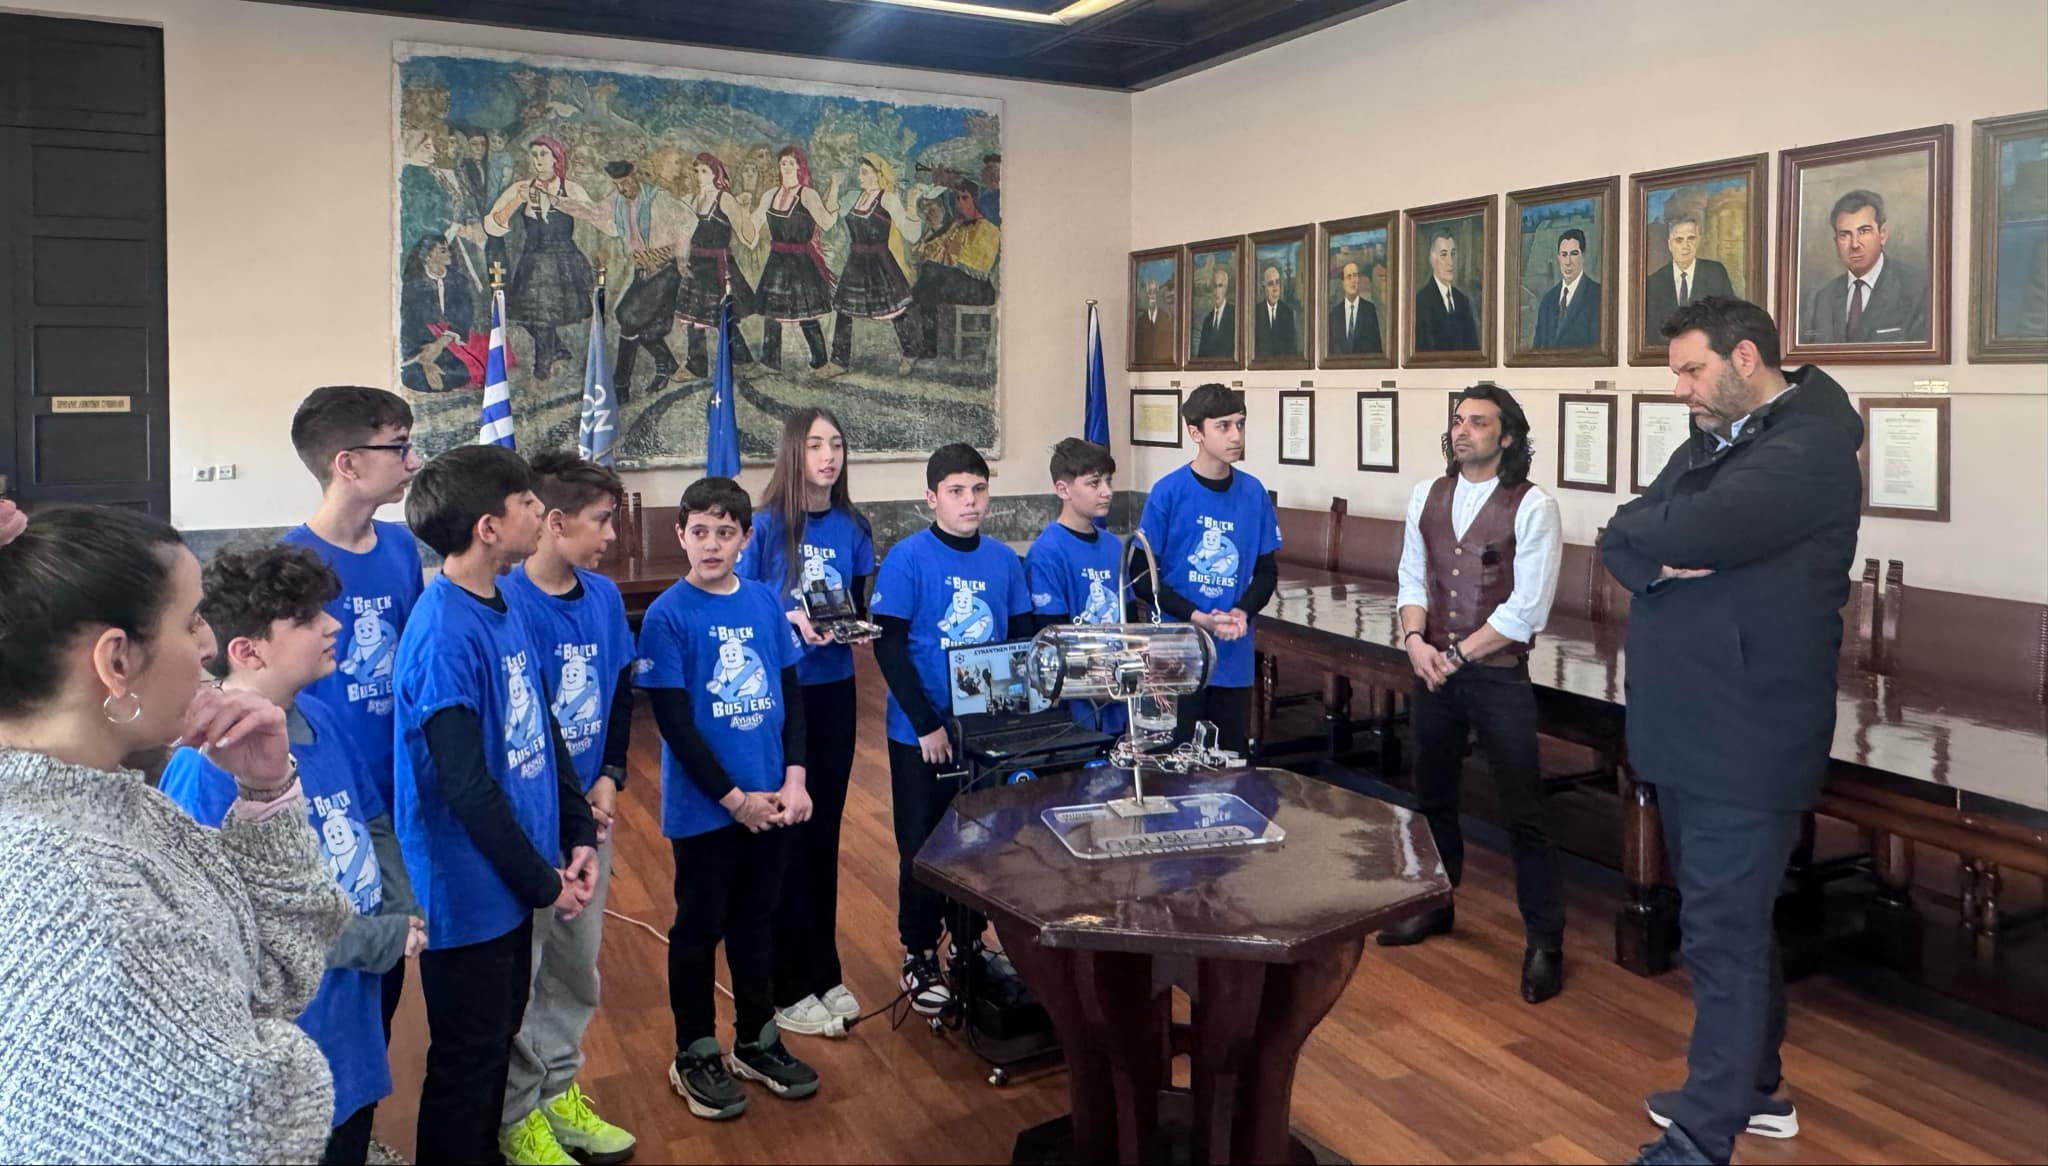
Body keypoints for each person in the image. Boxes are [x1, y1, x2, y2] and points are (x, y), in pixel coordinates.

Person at [0, 505, 351, 1163]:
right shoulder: (77, 888)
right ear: (116, 660)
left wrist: (266, 794)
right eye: (191, 620)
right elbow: (249, 1131)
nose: (209, 645)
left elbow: (267, 975)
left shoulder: (121, 809)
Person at [1604, 297, 1862, 1166]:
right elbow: (1625, 534)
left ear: (1745, 357)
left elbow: (1689, 525)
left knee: (1722, 933)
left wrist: (1668, 539)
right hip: (1693, 723)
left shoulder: (1810, 447)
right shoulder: (1715, 440)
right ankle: (1752, 1090)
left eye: (1691, 370)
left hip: (1747, 732)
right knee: (1728, 920)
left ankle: (1702, 1138)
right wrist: (1659, 549)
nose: (1679, 389)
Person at [159, 543, 426, 1166]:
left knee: (350, 1126)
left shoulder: (323, 720)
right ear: (248, 650)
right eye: (307, 618)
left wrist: (402, 909)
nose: (332, 625)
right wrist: (377, 939)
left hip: (352, 1009)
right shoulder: (203, 769)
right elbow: (241, 923)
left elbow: (373, 820)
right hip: (291, 1031)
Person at [392, 446, 599, 1164]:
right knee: (468, 1060)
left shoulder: (502, 599)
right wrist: (543, 882)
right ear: (489, 527)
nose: (542, 513)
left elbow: (542, 722)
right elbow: (465, 786)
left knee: (497, 1039)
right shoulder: (442, 632)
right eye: (528, 504)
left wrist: (577, 829)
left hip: (514, 879)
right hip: (469, 891)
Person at [639, 476, 819, 1120]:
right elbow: (674, 724)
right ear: (680, 535)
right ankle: (694, 1050)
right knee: (699, 925)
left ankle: (756, 1038)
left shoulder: (766, 602)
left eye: (725, 532)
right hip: (706, 810)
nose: (711, 544)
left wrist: (794, 779)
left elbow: (791, 697)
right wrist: (733, 799)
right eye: (699, 531)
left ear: (745, 538)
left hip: (771, 801)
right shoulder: (667, 616)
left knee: (755, 919)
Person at [1382, 385, 1567, 1005]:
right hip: (1432, 668)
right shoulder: (1428, 495)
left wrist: (1457, 656)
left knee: (1523, 810)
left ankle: (1545, 941)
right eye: (1458, 421)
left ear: (1507, 436)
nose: (1462, 431)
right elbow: (1413, 575)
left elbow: (1527, 608)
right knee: (1431, 795)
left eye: (1478, 423)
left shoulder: (1534, 505)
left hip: (1496, 674)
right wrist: (1415, 641)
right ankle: (1435, 903)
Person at [497, 453, 640, 1166]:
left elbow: (620, 689)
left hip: (591, 818)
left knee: (575, 964)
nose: (612, 535)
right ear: (554, 522)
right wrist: (564, 805)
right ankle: (515, 1113)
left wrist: (610, 775)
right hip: (531, 818)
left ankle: (557, 1090)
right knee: (522, 968)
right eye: (602, 520)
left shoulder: (605, 597)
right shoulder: (504, 601)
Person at [284, 385, 427, 1042]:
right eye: (397, 447)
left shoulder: (399, 548)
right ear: (347, 462)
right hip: (329, 797)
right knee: (332, 970)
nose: (411, 461)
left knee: (390, 954)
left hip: (396, 785)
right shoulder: (293, 563)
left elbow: (413, 666)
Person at [872, 444, 1034, 1015]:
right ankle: (919, 951)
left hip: (983, 735)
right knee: (923, 845)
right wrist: (926, 724)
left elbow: (1020, 642)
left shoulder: (1004, 561)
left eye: (979, 490)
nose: (970, 502)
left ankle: (969, 943)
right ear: (931, 498)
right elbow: (889, 647)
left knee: (979, 844)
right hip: (922, 734)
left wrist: (1011, 726)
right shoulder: (907, 559)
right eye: (957, 491)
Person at [735, 408, 876, 1040]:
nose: (828, 456)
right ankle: (785, 984)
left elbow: (856, 603)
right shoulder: (766, 525)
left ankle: (824, 969)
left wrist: (857, 629)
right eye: (816, 444)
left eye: (837, 444)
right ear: (795, 452)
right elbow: (740, 604)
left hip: (835, 691)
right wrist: (786, 619)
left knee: (824, 834)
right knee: (786, 836)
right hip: (780, 696)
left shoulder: (853, 525)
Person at [1134, 384, 1280, 756]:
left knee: (1227, 762)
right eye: (1223, 426)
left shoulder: (1254, 493)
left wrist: (1242, 611)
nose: (1236, 436)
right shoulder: (1168, 492)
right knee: (1176, 759)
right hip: (1177, 654)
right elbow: (1141, 576)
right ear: (1195, 433)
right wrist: (1195, 616)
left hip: (1232, 654)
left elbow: (1266, 571)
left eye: (1240, 424)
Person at [558, 160, 690, 402]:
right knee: (643, 327)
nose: (622, 188)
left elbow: (686, 221)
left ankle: (621, 385)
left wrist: (682, 256)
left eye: (625, 182)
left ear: (635, 175)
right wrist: (559, 203)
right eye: (617, 184)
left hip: (667, 269)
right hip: (643, 269)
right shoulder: (617, 201)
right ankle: (666, 365)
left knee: (628, 316)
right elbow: (594, 212)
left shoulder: (658, 198)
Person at [1026, 437, 1128, 734]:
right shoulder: (1047, 551)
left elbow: (1129, 620)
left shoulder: (1114, 546)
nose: (1107, 491)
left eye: (1108, 481)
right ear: (1063, 489)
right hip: (1076, 704)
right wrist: (1095, 684)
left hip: (1119, 692)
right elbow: (1051, 636)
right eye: (1094, 483)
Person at [486, 136, 598, 381]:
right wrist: (518, 200)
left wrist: (564, 204)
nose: (538, 160)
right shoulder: (520, 188)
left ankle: (541, 371)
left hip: (562, 260)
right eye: (534, 154)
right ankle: (558, 351)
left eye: (544, 154)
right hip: (532, 260)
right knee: (528, 316)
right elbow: (492, 225)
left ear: (556, 158)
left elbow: (598, 217)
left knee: (544, 317)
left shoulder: (570, 188)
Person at [824, 154, 924, 377]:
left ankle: (910, 352)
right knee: (844, 310)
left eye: (865, 172)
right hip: (856, 262)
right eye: (859, 172)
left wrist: (911, 204)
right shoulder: (853, 197)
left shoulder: (888, 199)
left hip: (880, 262)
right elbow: (829, 216)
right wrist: (834, 185)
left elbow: (911, 234)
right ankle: (839, 361)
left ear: (879, 174)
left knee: (895, 309)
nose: (859, 176)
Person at [1798, 189, 1929, 344]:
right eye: (1844, 235)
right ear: (1836, 242)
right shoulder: (1823, 299)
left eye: (1864, 231)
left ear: (1883, 234)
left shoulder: (1918, 289)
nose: (1854, 244)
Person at [752, 145, 840, 373]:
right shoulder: (770, 195)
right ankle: (770, 362)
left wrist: (834, 190)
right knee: (772, 313)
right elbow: (754, 223)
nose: (787, 167)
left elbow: (827, 222)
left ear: (800, 167)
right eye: (783, 163)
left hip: (801, 262)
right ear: (779, 167)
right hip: (777, 261)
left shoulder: (807, 195)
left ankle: (820, 362)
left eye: (792, 163)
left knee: (806, 314)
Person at [676, 152, 759, 378]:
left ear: (715, 173)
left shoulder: (725, 199)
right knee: (692, 316)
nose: (699, 176)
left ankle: (743, 359)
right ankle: (697, 366)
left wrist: (745, 211)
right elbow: (682, 233)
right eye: (696, 171)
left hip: (718, 265)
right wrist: (681, 259)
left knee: (722, 314)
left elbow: (746, 236)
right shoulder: (691, 200)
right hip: (696, 264)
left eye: (704, 171)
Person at [909, 181, 1000, 360]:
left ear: (975, 200)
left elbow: (978, 265)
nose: (960, 203)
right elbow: (932, 251)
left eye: (965, 198)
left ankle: (909, 301)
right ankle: (929, 347)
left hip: (979, 288)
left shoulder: (989, 229)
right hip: (956, 283)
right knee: (928, 289)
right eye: (957, 199)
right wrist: (946, 237)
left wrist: (948, 255)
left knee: (930, 273)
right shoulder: (957, 227)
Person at [401, 235, 482, 393]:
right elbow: (409, 323)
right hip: (422, 342)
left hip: (452, 336)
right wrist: (426, 358)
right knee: (415, 376)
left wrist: (440, 344)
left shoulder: (458, 280)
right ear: (428, 256)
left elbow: (464, 315)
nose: (449, 254)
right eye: (443, 251)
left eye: (448, 250)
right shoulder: (412, 285)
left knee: (463, 371)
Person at [1642, 213, 1734, 335]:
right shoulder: (1654, 282)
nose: (1685, 246)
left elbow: (1730, 319)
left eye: (1691, 238)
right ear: (1670, 244)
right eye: (1679, 240)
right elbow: (1651, 332)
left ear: (1698, 240)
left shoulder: (1716, 273)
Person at [1532, 228, 1601, 349]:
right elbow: (1536, 349)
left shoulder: (1597, 296)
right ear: (1558, 258)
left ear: (1583, 256)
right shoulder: (1548, 300)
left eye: (1574, 254)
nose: (1568, 262)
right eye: (1564, 255)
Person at [1414, 228, 1480, 351]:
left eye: (1453, 254)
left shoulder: (1463, 301)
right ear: (1432, 259)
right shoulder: (1421, 301)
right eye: (1443, 254)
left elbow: (1474, 348)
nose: (1450, 262)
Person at [1327, 260, 1383, 356]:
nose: (1353, 280)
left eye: (1355, 276)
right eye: (1349, 277)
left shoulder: (1369, 310)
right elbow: (1330, 351)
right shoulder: (1334, 314)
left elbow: (1377, 350)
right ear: (1343, 283)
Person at [1252, 263, 1300, 356]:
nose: (1275, 289)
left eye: (1277, 282)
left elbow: (1293, 350)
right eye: (1270, 284)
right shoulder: (1255, 312)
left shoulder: (1288, 313)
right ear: (1264, 287)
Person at [1193, 264, 1237, 358]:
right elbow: (1201, 356)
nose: (1217, 291)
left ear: (1226, 288)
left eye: (1220, 286)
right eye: (1214, 286)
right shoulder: (1207, 320)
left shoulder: (1235, 315)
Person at [1134, 278, 1177, 363]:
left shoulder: (1165, 319)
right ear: (1147, 295)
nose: (1152, 296)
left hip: (1164, 365)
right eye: (1150, 292)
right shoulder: (1140, 321)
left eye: (1155, 292)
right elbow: (1137, 350)